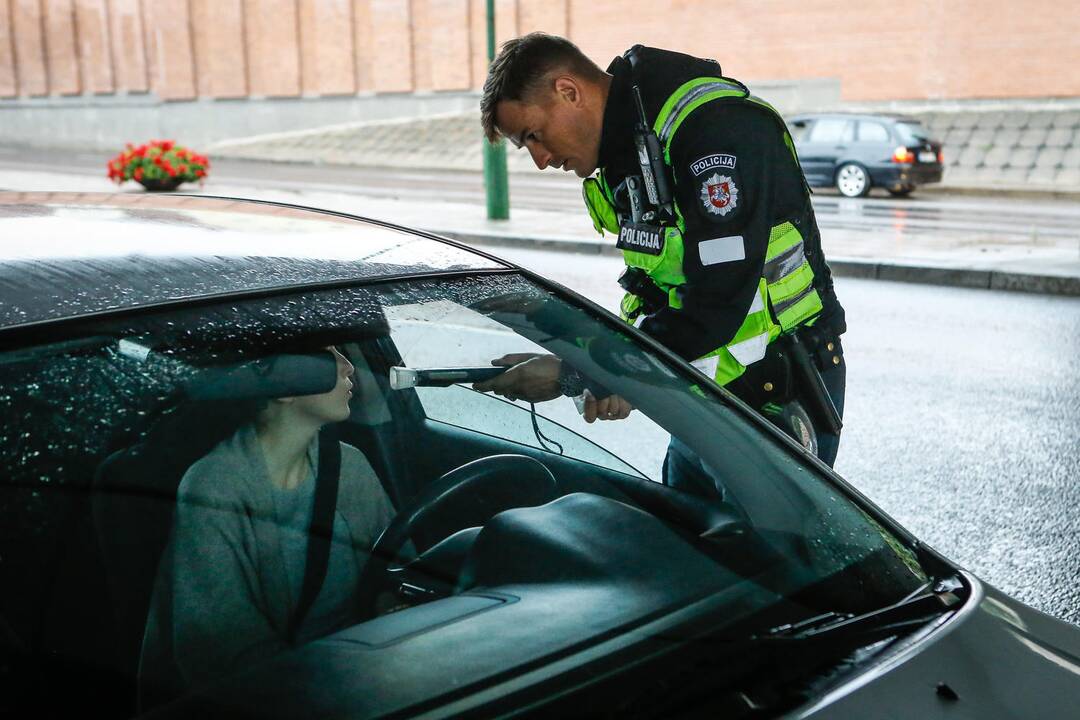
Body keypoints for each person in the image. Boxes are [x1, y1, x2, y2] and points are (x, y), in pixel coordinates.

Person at [475, 33, 847, 474]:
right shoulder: (628, 152)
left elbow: (717, 306)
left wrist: (579, 371)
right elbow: (655, 292)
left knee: (761, 544)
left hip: (779, 393)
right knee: (687, 532)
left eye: (534, 135)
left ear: (568, 91)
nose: (539, 158)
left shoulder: (714, 131)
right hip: (702, 387)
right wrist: (620, 373)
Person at [140, 346, 396, 700]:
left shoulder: (350, 467)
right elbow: (223, 655)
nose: (349, 367)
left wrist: (393, 611)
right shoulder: (214, 486)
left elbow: (398, 571)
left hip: (370, 676)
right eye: (328, 357)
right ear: (283, 387)